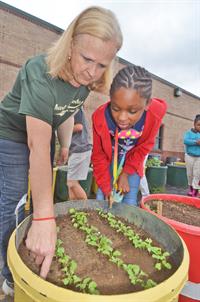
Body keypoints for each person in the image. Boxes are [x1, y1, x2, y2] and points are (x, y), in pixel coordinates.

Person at [0, 6, 123, 295]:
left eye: (102, 65)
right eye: (87, 59)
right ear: (70, 46)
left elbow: (67, 112)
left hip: (40, 136)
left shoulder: (85, 81)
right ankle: (7, 273)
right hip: (10, 136)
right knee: (16, 202)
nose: (93, 71)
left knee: (28, 200)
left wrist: (66, 145)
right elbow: (37, 144)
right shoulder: (39, 72)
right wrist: (44, 218)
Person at [92, 65, 167, 207]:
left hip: (133, 163)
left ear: (147, 104)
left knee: (129, 202)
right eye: (115, 108)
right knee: (102, 200)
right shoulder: (99, 118)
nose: (122, 118)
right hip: (108, 162)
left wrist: (125, 174)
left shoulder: (154, 114)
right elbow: (98, 155)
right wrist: (107, 189)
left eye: (132, 111)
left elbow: (144, 147)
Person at [66, 107, 92, 200]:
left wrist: (62, 129)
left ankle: (86, 209)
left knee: (72, 183)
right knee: (71, 185)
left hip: (80, 149)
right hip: (76, 149)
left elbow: (79, 127)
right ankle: (73, 208)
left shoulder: (75, 108)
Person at [183, 114, 200, 197]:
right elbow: (186, 141)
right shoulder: (189, 133)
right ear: (194, 124)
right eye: (198, 125)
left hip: (199, 158)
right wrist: (196, 142)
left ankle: (195, 190)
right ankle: (190, 188)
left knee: (197, 173)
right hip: (189, 156)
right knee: (190, 174)